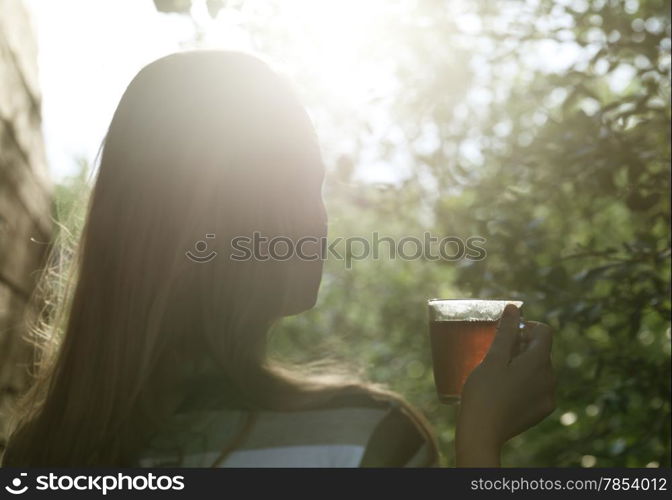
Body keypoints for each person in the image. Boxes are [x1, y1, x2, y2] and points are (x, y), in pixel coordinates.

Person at [1, 50, 555, 467]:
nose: (322, 218)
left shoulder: (37, 452)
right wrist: (481, 438)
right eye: (307, 184)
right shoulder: (361, 439)